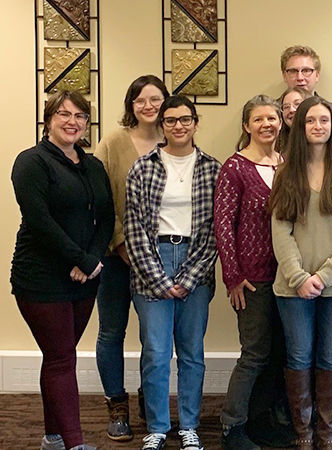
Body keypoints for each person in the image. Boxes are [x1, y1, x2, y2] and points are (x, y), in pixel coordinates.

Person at [11, 90, 113, 450]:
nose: (73, 122)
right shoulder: (31, 162)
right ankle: (74, 443)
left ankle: (53, 437)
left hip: (84, 278)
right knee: (61, 357)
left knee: (59, 355)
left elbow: (107, 218)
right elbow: (40, 221)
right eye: (64, 114)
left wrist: (93, 260)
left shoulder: (93, 165)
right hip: (40, 277)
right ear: (49, 119)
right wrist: (81, 259)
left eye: (80, 116)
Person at [270, 96, 332, 450]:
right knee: (298, 357)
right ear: (300, 127)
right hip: (292, 287)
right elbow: (280, 230)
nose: (317, 126)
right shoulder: (285, 172)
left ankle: (327, 434)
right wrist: (299, 277)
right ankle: (304, 434)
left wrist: (325, 275)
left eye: (324, 121)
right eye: (311, 121)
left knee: (330, 358)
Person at [125, 95, 220, 450]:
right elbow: (133, 227)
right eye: (170, 120)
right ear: (161, 125)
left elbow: (216, 229)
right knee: (156, 351)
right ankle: (157, 426)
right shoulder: (143, 167)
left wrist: (190, 277)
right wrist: (160, 280)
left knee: (192, 351)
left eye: (185, 119)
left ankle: (189, 425)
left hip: (196, 259)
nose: (178, 126)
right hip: (153, 260)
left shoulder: (213, 168)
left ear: (195, 123)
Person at [93, 74, 170, 441]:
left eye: (155, 99)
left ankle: (149, 400)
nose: (148, 106)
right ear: (131, 105)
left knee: (154, 337)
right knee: (111, 331)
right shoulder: (113, 142)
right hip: (115, 256)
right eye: (140, 100)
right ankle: (117, 406)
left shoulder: (174, 140)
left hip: (160, 259)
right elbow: (101, 199)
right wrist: (122, 244)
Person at [215, 95, 291, 449]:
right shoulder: (235, 167)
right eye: (258, 119)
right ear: (246, 126)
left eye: (272, 119)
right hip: (252, 278)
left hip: (287, 276)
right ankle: (233, 427)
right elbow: (223, 225)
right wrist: (232, 276)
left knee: (278, 353)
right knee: (255, 353)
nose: (267, 125)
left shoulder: (287, 163)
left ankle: (263, 422)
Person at [280, 45, 332, 147]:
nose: (300, 77)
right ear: (284, 76)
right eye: (293, 71)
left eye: (306, 71)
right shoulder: (272, 113)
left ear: (317, 75)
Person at [278, 87, 311, 153]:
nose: (291, 110)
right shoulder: (277, 145)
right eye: (286, 107)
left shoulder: (320, 141)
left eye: (297, 104)